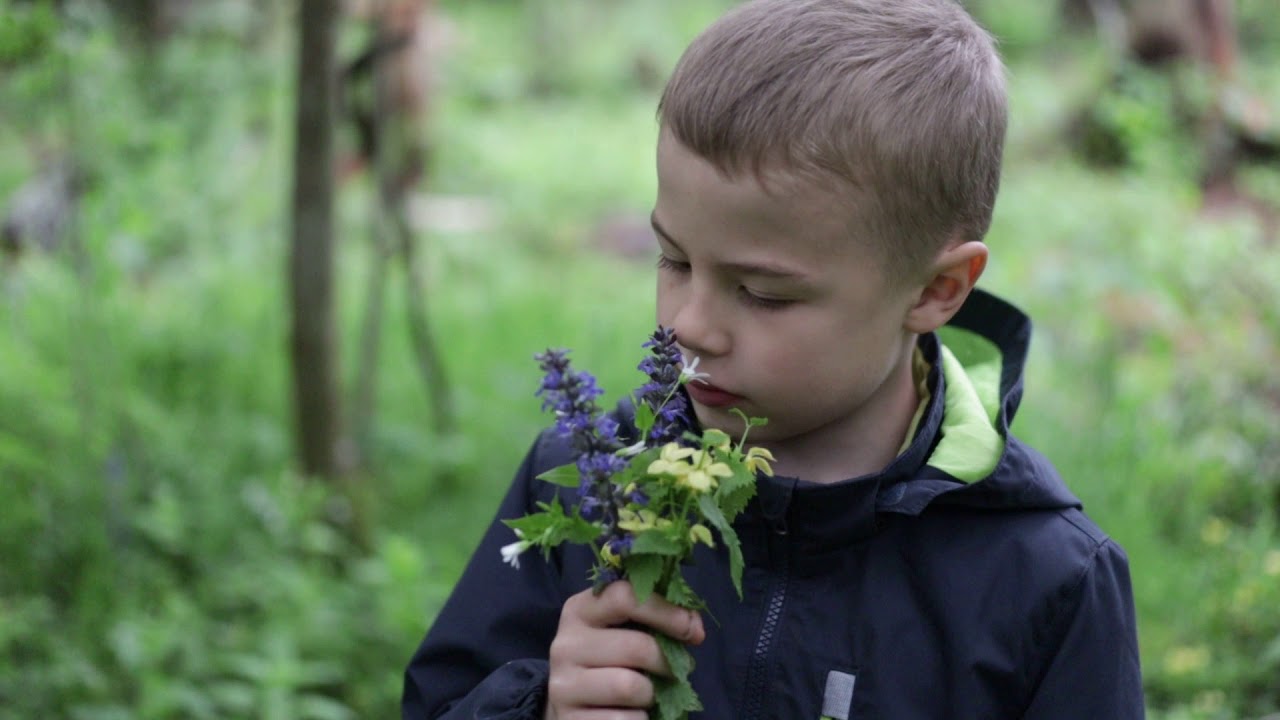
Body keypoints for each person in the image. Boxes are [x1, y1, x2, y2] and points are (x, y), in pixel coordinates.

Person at [402, 0, 1145, 717]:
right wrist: (544, 709)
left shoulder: (1047, 580)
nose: (689, 325)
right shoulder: (586, 486)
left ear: (936, 289)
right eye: (673, 259)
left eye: (762, 293)